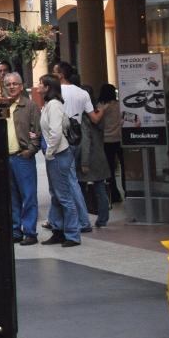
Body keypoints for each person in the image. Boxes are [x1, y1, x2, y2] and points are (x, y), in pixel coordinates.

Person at [52, 60, 98, 233]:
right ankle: (55, 219)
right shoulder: (82, 93)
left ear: (60, 75)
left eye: (54, 72)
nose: (52, 75)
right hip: (77, 139)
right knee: (69, 180)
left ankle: (83, 221)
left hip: (63, 140)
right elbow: (93, 117)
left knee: (68, 181)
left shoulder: (56, 93)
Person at [39, 74, 81, 248]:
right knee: (56, 195)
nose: (38, 86)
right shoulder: (51, 105)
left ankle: (72, 234)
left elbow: (56, 132)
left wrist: (49, 152)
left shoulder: (54, 105)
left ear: (47, 87)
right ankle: (58, 231)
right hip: (57, 154)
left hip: (58, 154)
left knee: (64, 196)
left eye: (40, 83)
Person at [3, 72, 41, 245]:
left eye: (14, 84)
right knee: (12, 197)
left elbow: (38, 132)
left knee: (28, 195)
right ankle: (15, 231)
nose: (11, 87)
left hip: (23, 158)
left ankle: (30, 232)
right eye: (8, 85)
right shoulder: (2, 105)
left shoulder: (30, 106)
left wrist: (31, 150)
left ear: (21, 86)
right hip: (6, 157)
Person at [77, 84, 111, 228]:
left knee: (79, 190)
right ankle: (102, 220)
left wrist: (84, 162)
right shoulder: (98, 114)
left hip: (89, 157)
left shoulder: (84, 116)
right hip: (100, 154)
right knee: (100, 189)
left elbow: (86, 139)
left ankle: (83, 220)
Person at [98, 82, 124, 202]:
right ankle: (127, 191)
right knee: (124, 167)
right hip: (119, 139)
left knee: (109, 169)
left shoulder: (98, 107)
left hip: (106, 141)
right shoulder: (118, 106)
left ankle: (114, 193)